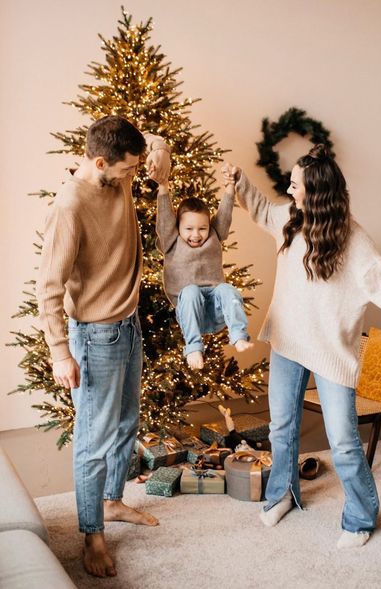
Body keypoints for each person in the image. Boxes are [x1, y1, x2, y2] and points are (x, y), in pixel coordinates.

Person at [221, 145, 381, 549]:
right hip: (286, 343)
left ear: (314, 192)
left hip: (331, 354)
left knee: (344, 442)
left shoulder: (354, 242)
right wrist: (240, 181)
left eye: (294, 184)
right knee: (282, 429)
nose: (289, 188)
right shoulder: (290, 220)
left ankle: (359, 517)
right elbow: (263, 209)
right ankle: (281, 494)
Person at [37, 115, 171, 577]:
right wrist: (59, 352)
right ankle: (92, 536)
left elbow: (153, 139)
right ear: (99, 162)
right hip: (94, 336)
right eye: (128, 171)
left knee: (127, 422)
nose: (133, 177)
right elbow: (48, 289)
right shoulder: (70, 206)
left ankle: (113, 501)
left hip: (128, 323)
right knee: (93, 441)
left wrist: (159, 151)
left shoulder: (119, 167)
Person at [156, 162, 253, 370]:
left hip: (216, 308)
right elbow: (164, 219)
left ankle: (238, 335)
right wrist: (163, 187)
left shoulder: (215, 235)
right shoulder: (171, 240)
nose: (196, 234)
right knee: (190, 291)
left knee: (227, 289)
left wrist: (230, 187)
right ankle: (194, 347)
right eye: (189, 228)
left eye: (202, 228)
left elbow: (225, 215)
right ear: (178, 228)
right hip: (190, 308)